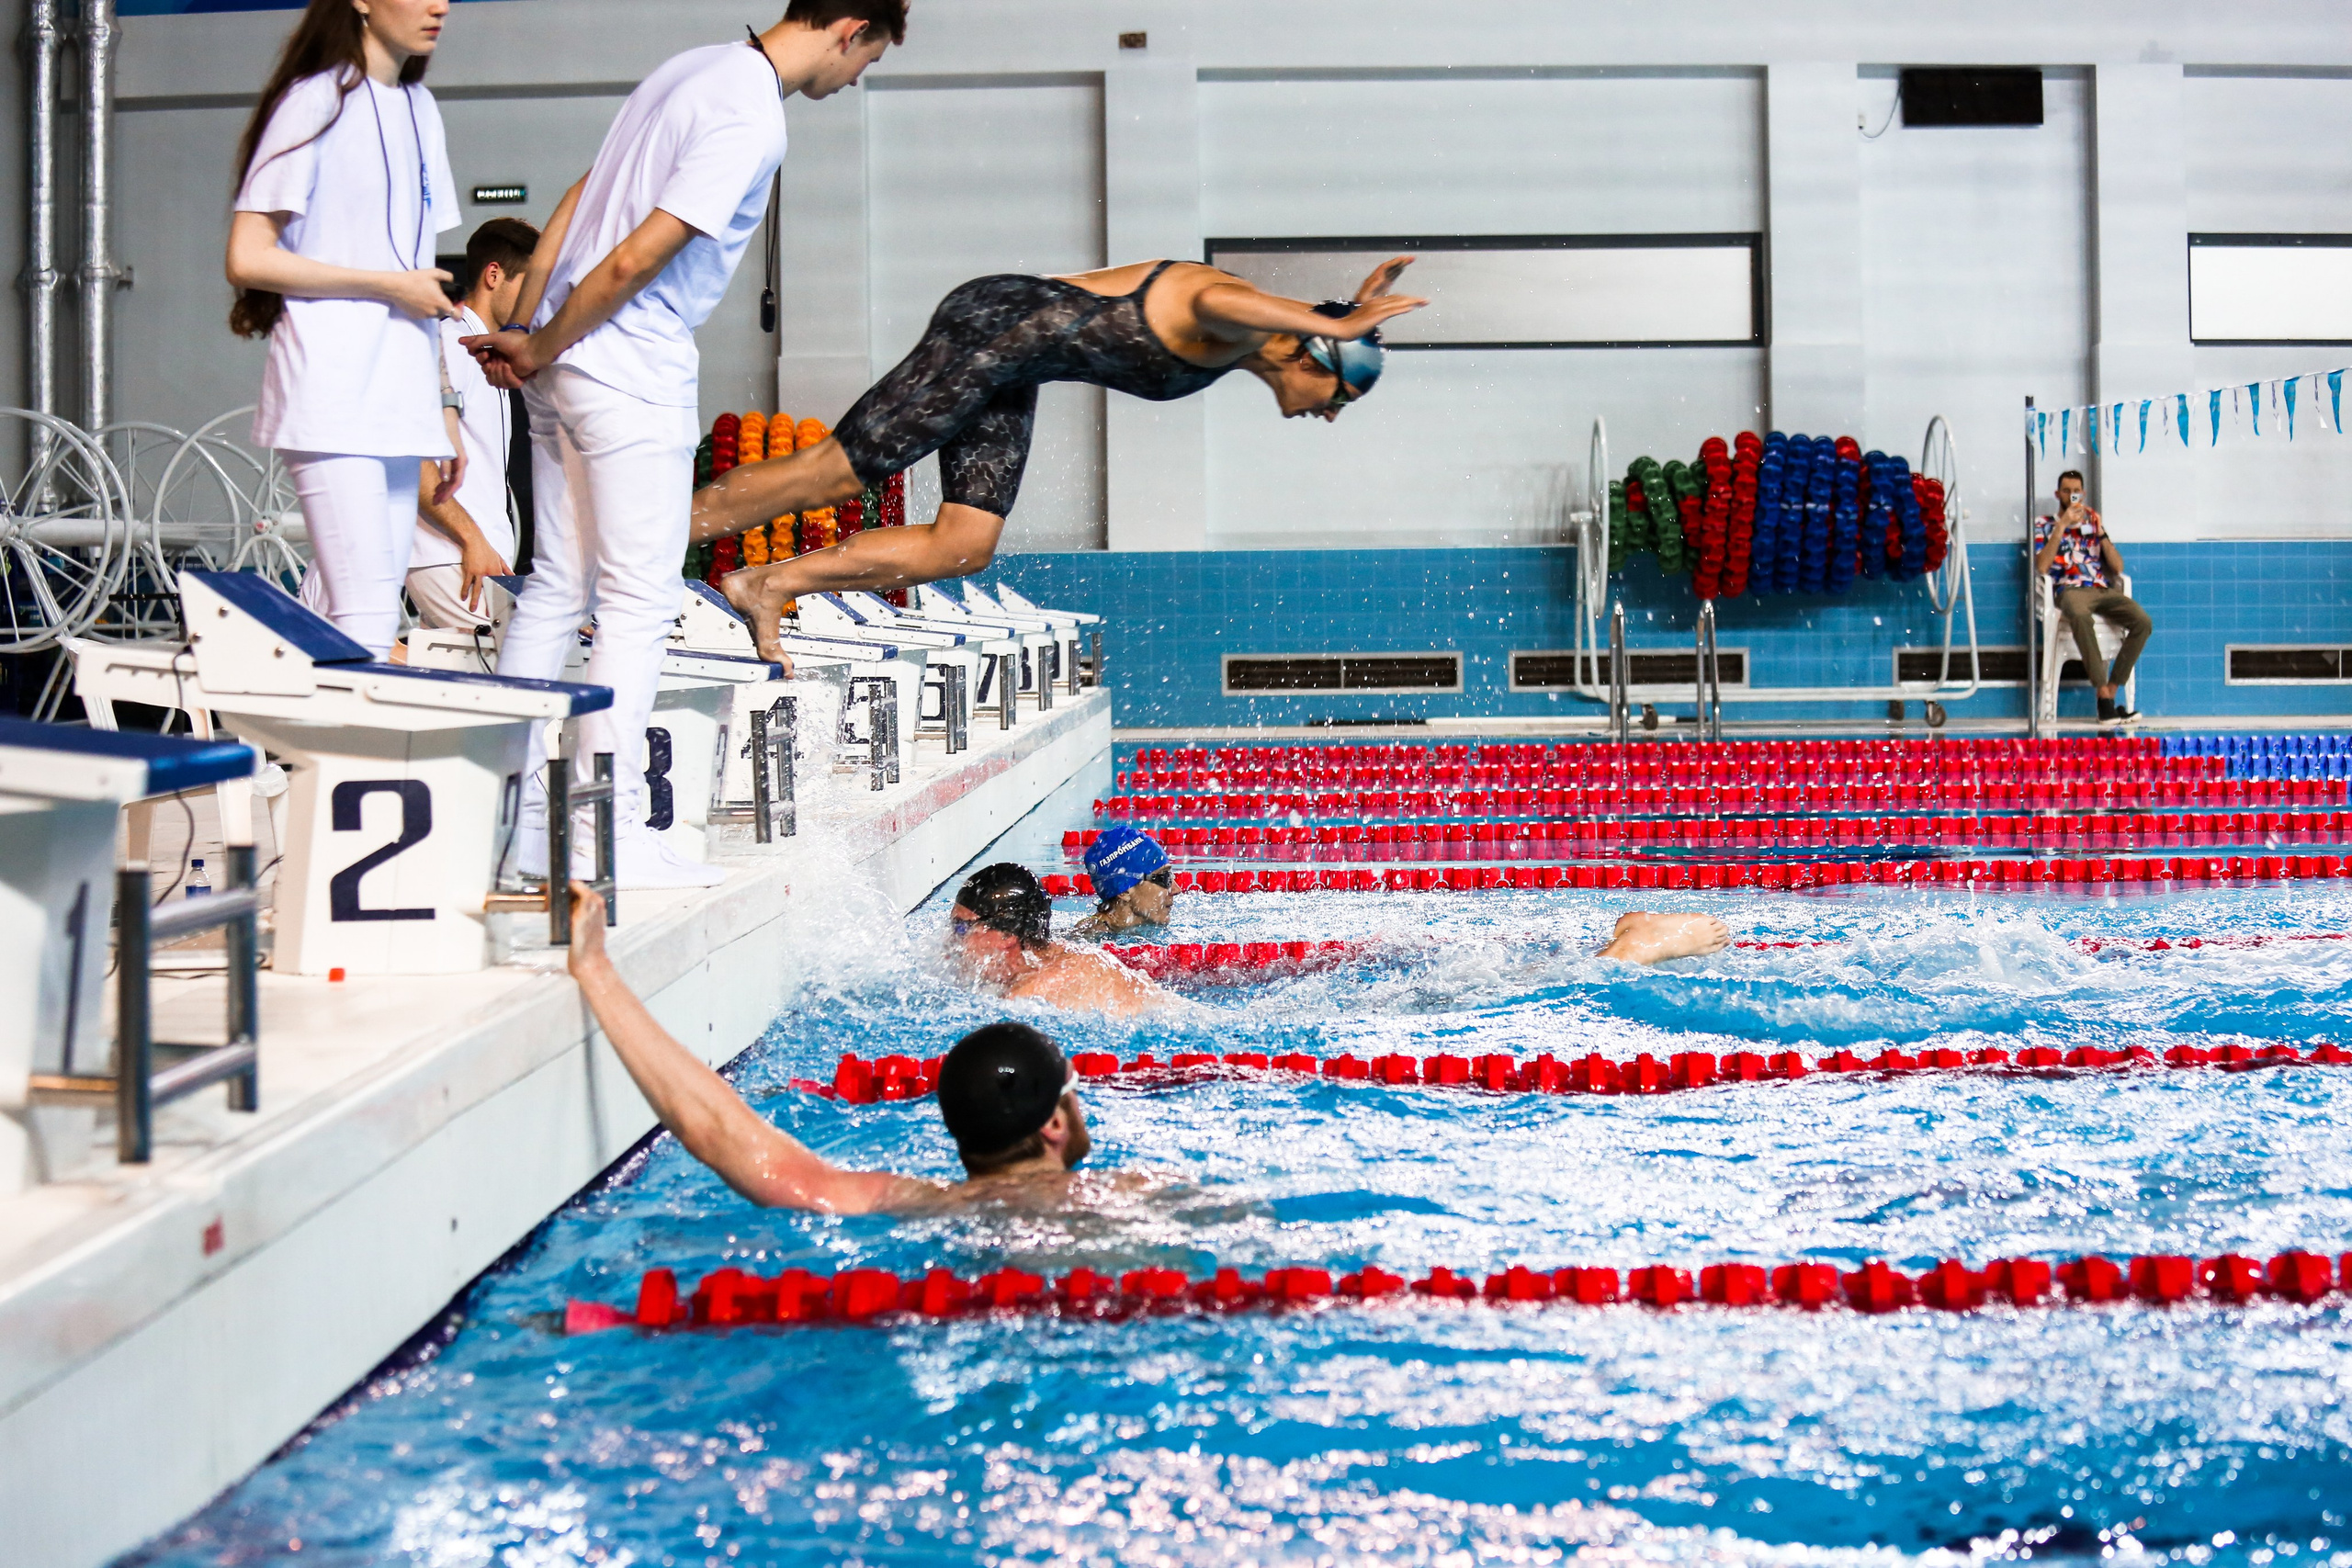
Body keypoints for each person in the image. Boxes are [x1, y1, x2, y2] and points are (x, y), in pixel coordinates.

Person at [461, 1, 902, 889]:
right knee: (636, 601)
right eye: (869, 62)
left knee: (555, 588)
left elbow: (578, 198)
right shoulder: (752, 111)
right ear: (850, 28)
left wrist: (537, 320)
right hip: (627, 361)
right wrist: (543, 339)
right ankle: (605, 834)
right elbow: (636, 258)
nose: (855, 82)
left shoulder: (687, 68)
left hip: (568, 356)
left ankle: (502, 829)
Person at [691, 257, 1429, 661]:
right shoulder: (1229, 306)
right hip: (992, 328)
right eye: (1340, 396)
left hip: (1013, 369)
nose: (1330, 414)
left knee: (963, 545)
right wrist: (1330, 318)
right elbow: (1209, 298)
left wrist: (1335, 323)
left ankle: (767, 582)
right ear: (1316, 356)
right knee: (836, 471)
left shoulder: (1244, 346)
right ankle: (656, 532)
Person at [565, 885, 1091, 1213]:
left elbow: (718, 1132)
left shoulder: (918, 1204)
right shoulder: (1128, 1201)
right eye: (1072, 1091)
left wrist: (596, 974)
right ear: (1053, 1125)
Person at [225, 0, 467, 658]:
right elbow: (247, 256)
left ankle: (306, 753)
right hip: (331, 390)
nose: (439, 4)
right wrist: (385, 284)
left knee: (361, 613)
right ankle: (343, 761)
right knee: (365, 615)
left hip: (398, 393)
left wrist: (441, 408)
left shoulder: (421, 110)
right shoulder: (314, 101)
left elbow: (420, 275)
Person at [403, 217, 537, 635]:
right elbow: (414, 454)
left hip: (475, 553)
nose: (535, 301)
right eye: (528, 285)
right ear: (494, 275)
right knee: (527, 666)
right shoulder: (453, 343)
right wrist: (470, 538)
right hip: (452, 553)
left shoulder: (489, 352)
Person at [948, 863, 1172, 1014]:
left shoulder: (1028, 996)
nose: (952, 939)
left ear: (1007, 935)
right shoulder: (1057, 954)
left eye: (961, 928)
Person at [2032, 469, 2152, 724]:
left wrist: (2102, 533)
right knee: (2078, 614)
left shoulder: (2092, 522)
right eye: (2066, 491)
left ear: (2082, 493)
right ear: (2058, 494)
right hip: (2070, 590)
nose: (2071, 496)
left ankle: (2111, 692)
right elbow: (2041, 567)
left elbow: (2118, 567)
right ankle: (2103, 695)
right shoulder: (2044, 524)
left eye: (2076, 491)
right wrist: (2062, 525)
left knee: (2143, 621)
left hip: (2101, 588)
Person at [1069, 824, 1175, 938]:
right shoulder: (1088, 940)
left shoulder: (1137, 930)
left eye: (1171, 876)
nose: (1176, 889)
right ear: (1123, 891)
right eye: (1163, 878)